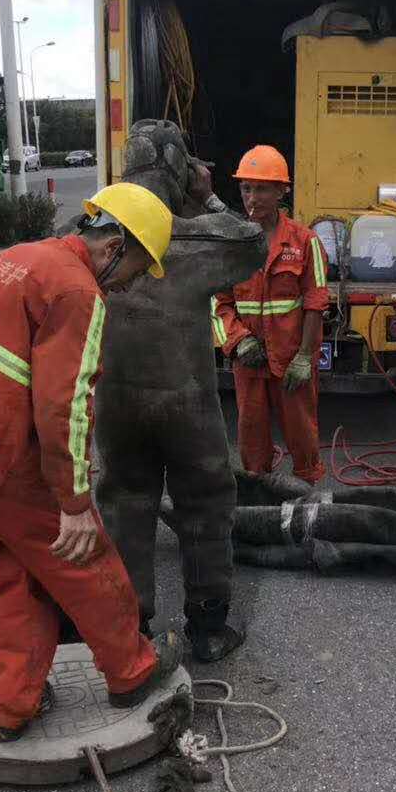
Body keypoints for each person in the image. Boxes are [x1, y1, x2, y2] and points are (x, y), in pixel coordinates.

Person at [0, 182, 182, 742]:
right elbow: (66, 407)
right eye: (134, 269)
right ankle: (131, 671)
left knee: (9, 580)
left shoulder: (12, 261)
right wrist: (75, 502)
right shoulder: (77, 292)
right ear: (114, 246)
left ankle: (12, 706)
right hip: (4, 459)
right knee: (87, 560)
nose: (128, 284)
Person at [94, 120, 266, 663]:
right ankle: (209, 629)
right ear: (177, 173)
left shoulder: (89, 238)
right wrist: (206, 194)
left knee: (125, 504)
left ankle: (130, 631)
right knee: (205, 504)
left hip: (116, 402)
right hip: (186, 403)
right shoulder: (192, 238)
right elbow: (253, 243)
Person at [211, 145, 329, 485]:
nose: (252, 197)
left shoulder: (305, 242)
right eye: (246, 188)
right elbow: (217, 304)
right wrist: (238, 341)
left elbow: (316, 301)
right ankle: (257, 496)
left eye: (262, 188)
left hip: (291, 360)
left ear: (281, 191)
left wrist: (305, 357)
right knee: (251, 437)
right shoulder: (231, 245)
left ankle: (308, 500)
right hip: (249, 362)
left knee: (302, 434)